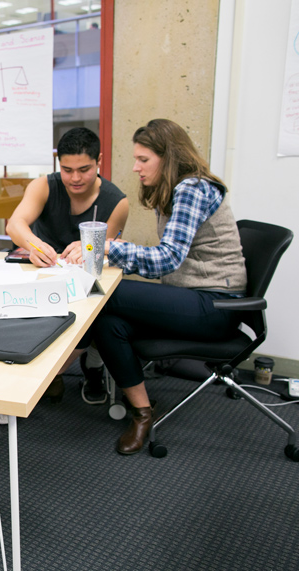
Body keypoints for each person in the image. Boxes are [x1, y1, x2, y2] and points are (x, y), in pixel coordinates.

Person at [92, 119, 247, 455]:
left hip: (216, 306)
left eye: (143, 160)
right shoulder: (177, 189)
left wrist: (108, 247)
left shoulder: (192, 188)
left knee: (106, 296)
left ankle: (67, 371)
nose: (135, 168)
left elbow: (168, 259)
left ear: (170, 156)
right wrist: (113, 255)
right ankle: (143, 412)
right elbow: (166, 260)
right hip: (192, 299)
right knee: (106, 321)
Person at [6, 127, 129, 405]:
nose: (75, 178)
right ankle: (42, 374)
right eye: (67, 169)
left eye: (84, 169)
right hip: (41, 273)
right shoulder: (44, 185)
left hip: (82, 280)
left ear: (99, 160)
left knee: (96, 315)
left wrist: (86, 251)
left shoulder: (116, 201)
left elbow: (105, 252)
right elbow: (15, 225)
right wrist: (35, 246)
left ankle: (89, 367)